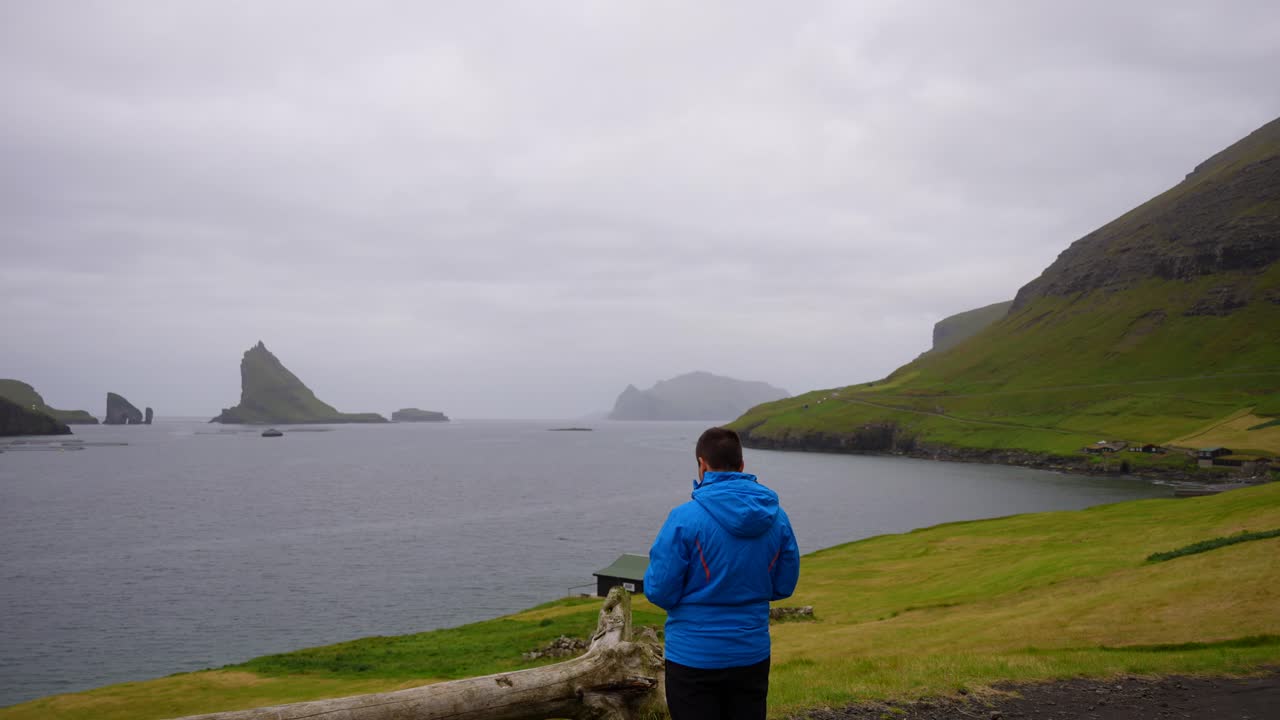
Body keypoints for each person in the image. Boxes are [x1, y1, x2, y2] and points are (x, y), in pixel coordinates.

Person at [643, 427, 800, 720]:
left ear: (702, 464)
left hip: (693, 654)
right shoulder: (778, 518)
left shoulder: (683, 518)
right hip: (750, 651)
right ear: (742, 465)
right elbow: (784, 585)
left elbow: (659, 591)